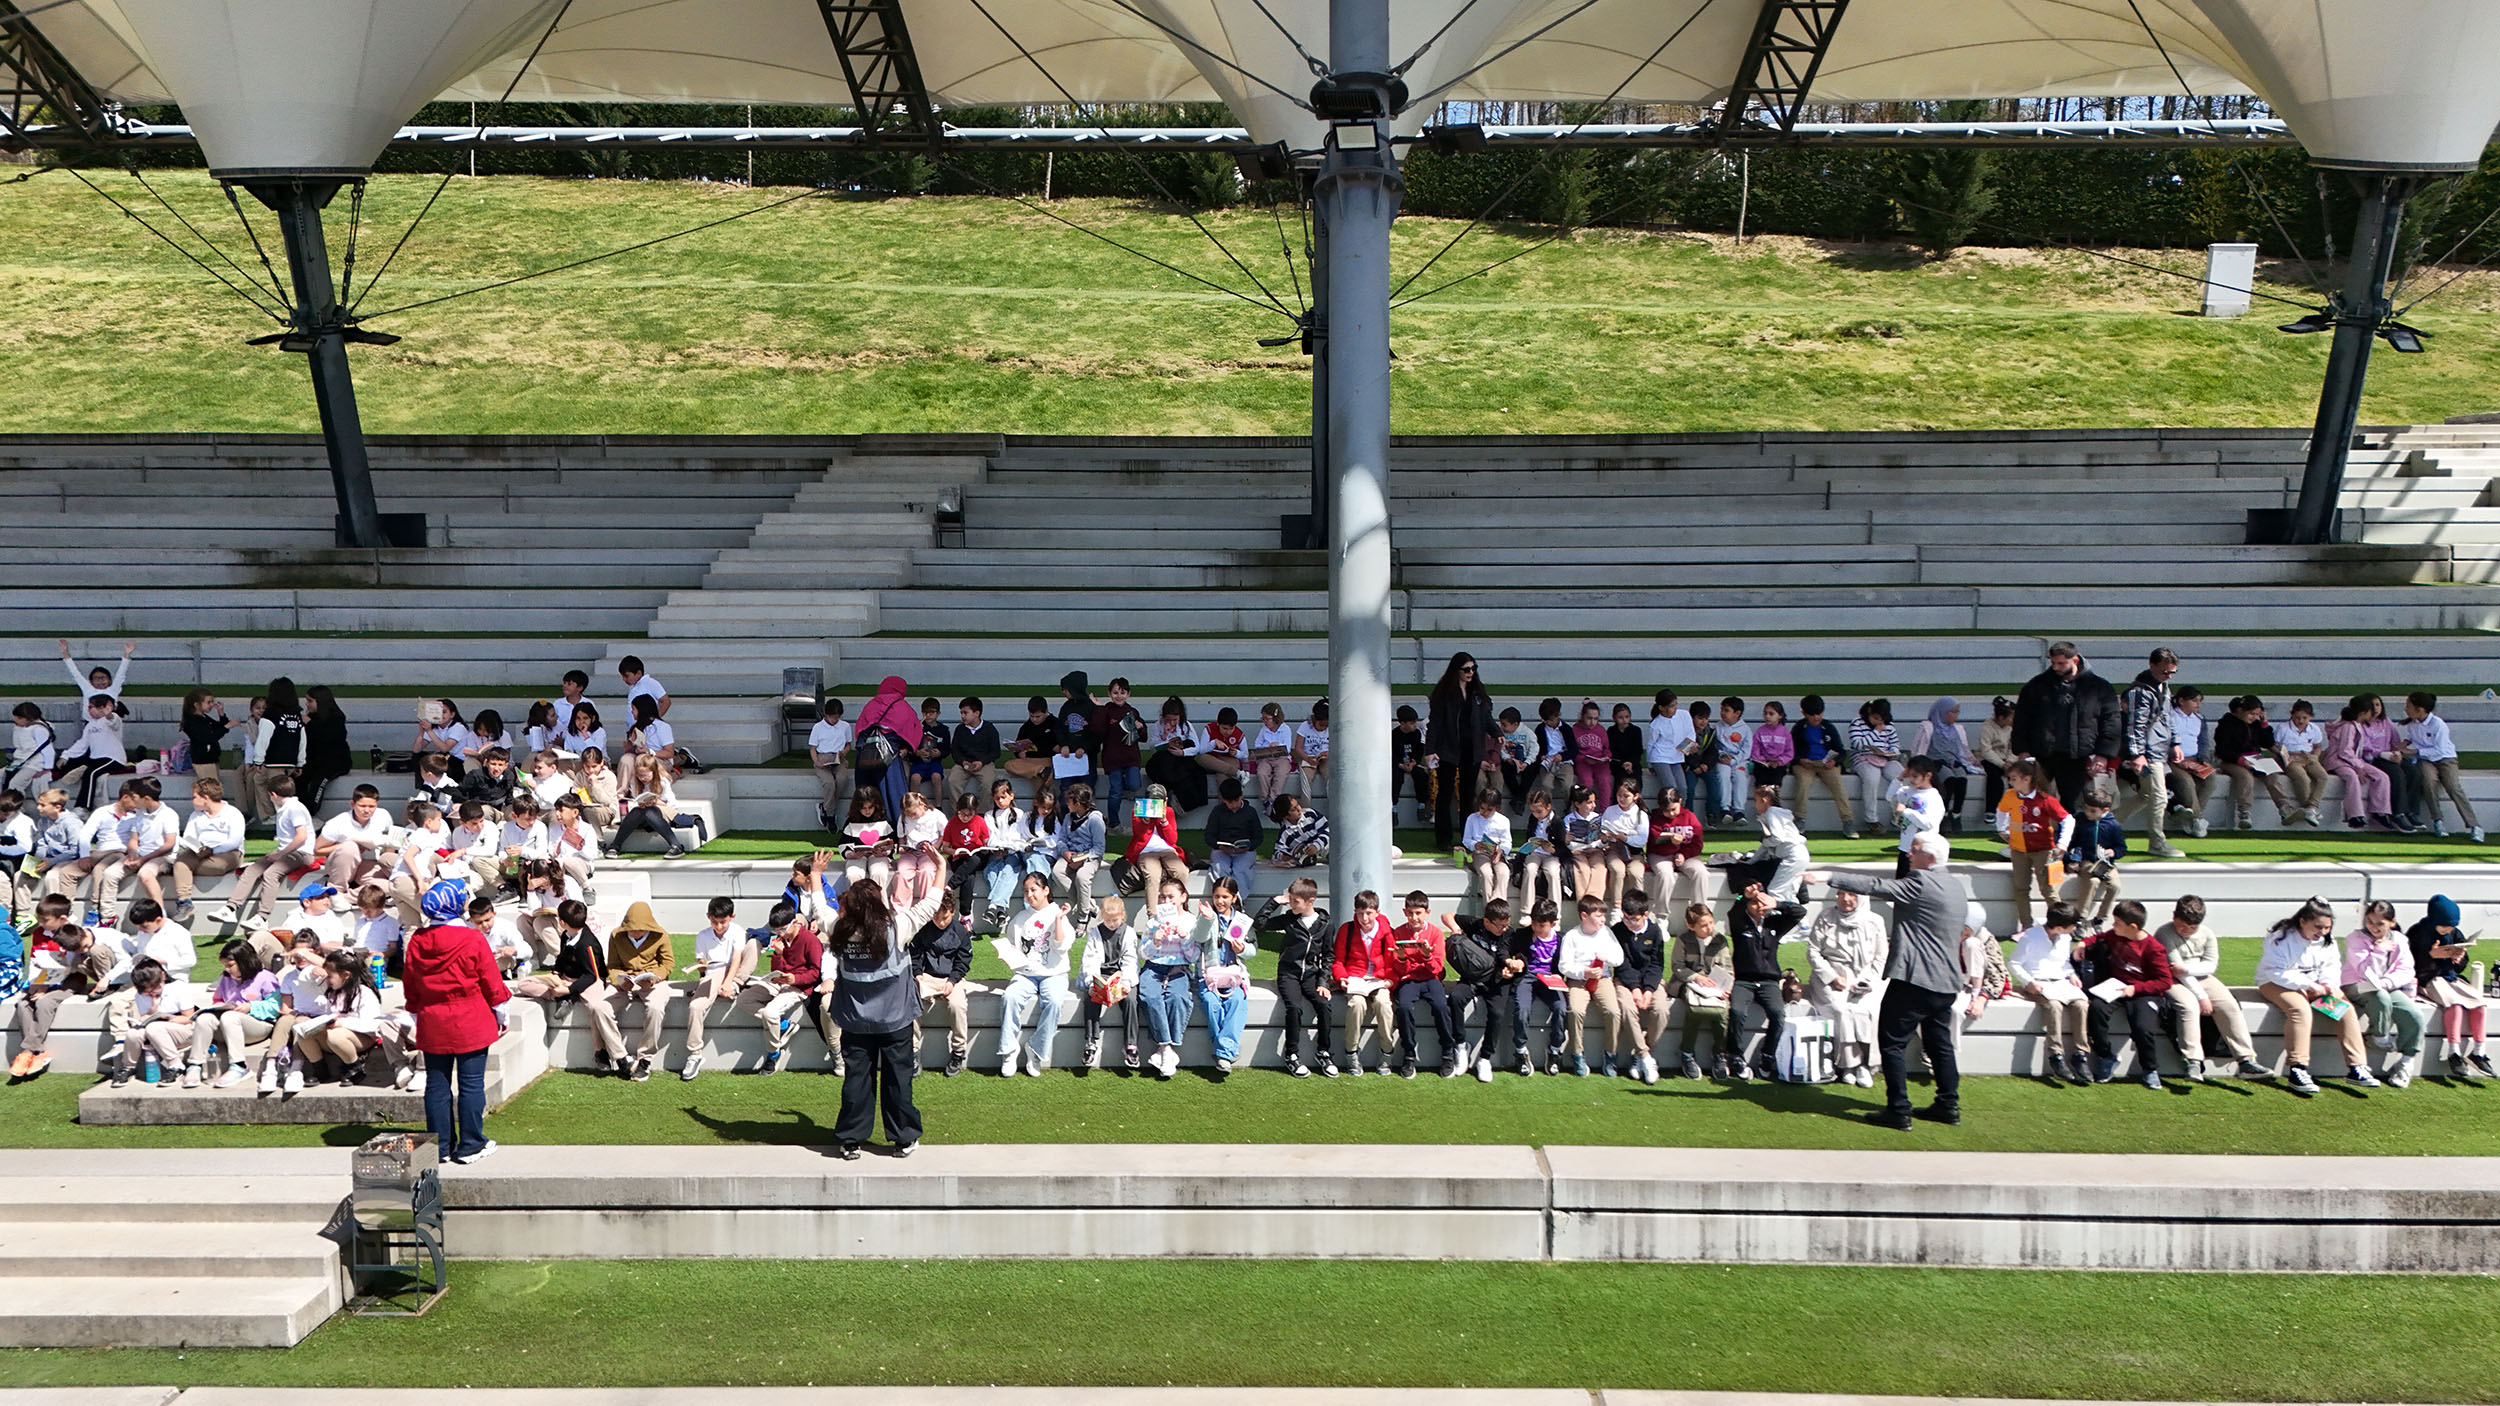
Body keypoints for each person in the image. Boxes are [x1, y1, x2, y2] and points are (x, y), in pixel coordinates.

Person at [1804, 832, 1972, 1131]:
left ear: (1929, 858)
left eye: (1915, 849)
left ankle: (1899, 1109)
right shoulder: (1956, 886)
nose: (1909, 853)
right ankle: (1949, 1105)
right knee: (1940, 1044)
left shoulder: (1921, 882)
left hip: (1915, 981)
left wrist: (1828, 875)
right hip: (1946, 983)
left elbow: (1876, 886)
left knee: (1892, 1043)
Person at [823, 873, 945, 1159]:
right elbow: (930, 904)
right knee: (898, 1080)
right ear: (879, 903)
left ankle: (851, 1140)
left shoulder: (839, 930)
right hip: (895, 1021)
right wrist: (940, 867)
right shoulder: (898, 928)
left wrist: (816, 877)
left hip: (855, 1021)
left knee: (857, 1079)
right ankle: (903, 1139)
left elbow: (819, 909)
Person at [400, 878, 507, 1164]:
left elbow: (410, 983)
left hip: (433, 1019)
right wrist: (501, 1012)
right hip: (470, 1018)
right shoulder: (472, 938)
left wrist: (415, 1013)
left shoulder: (418, 941)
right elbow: (492, 982)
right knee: (471, 1085)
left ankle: (441, 1146)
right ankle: (471, 1144)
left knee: (437, 1084)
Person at [2254, 897, 2373, 1094]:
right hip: (2275, 983)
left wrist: (2327, 984)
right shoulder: (2281, 938)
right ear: (2303, 921)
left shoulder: (2327, 941)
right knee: (2300, 1010)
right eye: (2318, 927)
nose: (2323, 932)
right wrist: (2308, 985)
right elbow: (2275, 971)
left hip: (2315, 986)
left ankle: (2356, 1067)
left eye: (2327, 928)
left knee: (2345, 1010)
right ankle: (2297, 1068)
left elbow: (2332, 966)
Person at [2153, 894, 2266, 1082]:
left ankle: (2246, 1059)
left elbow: (2210, 965)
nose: (2187, 931)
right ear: (2174, 917)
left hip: (2199, 975)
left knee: (2229, 1004)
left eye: (2192, 927)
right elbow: (2176, 969)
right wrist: (2201, 996)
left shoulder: (2206, 933)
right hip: (2173, 979)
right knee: (2189, 1006)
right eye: (2182, 926)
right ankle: (2193, 1060)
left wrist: (2189, 969)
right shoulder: (2164, 933)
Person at [2009, 641, 2122, 813]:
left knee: (2074, 806)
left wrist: (2103, 754)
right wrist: (2022, 750)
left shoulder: (2099, 687)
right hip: (2041, 753)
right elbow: (2022, 719)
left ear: (2075, 660)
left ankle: (2071, 839)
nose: (2056, 667)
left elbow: (2111, 721)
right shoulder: (2037, 685)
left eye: (2061, 663)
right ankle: (2030, 837)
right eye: (2053, 663)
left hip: (2076, 756)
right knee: (2032, 801)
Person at [2077, 900, 2175, 1089]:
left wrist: (2135, 989)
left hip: (2142, 992)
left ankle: (2149, 1069)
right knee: (2096, 1010)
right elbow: (2097, 938)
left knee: (2142, 1026)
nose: (2113, 927)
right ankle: (2106, 1056)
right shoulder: (2115, 936)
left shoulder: (2153, 948)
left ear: (2133, 927)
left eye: (2117, 923)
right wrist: (2082, 943)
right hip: (2114, 988)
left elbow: (2164, 981)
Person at [731, 900, 831, 1075]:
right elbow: (776, 970)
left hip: (799, 987)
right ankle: (784, 1024)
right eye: (776, 930)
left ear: (795, 923)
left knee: (770, 1013)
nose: (780, 933)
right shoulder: (779, 940)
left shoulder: (810, 940)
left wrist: (794, 979)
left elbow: (815, 973)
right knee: (744, 999)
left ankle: (773, 1053)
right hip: (779, 982)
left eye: (783, 929)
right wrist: (778, 954)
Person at [1806, 885, 1886, 1087]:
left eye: (1851, 894)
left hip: (1865, 977)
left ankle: (1866, 1065)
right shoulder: (1826, 917)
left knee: (1869, 1010)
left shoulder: (1875, 921)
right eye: (1841, 894)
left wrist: (1867, 981)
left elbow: (1880, 957)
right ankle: (1847, 1065)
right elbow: (1813, 952)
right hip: (1833, 976)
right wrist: (1833, 977)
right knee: (1841, 1010)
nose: (1845, 899)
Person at [996, 871, 1075, 1077]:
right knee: (1010, 996)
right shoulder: (1020, 918)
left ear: (1046, 890)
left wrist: (1058, 920)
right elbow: (1013, 946)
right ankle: (1009, 1050)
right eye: (1026, 891)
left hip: (1054, 973)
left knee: (1054, 1002)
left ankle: (1036, 1050)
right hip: (1026, 973)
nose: (1029, 894)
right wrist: (1007, 954)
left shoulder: (1058, 914)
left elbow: (1061, 946)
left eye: (1034, 889)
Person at [1255, 876, 1335, 1077]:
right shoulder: (1289, 919)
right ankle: (1291, 1054)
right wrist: (1274, 902)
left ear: (1310, 901)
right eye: (1290, 900)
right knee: (1294, 1008)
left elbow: (1328, 955)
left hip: (1311, 975)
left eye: (1295, 901)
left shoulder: (1325, 923)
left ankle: (1323, 1051)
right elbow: (1260, 923)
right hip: (1288, 974)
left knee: (1324, 1005)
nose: (1291, 905)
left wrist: (1324, 981)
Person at [2344, 899, 2427, 1088]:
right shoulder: (2355, 938)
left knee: (2414, 1014)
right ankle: (2378, 1036)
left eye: (2380, 923)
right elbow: (2361, 968)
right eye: (2370, 921)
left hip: (2386, 986)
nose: (2374, 927)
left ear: (2392, 922)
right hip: (2356, 985)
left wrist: (2386, 982)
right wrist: (2377, 951)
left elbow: (2406, 969)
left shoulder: (2399, 939)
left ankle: (2406, 1062)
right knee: (2379, 997)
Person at [2408, 894, 2492, 1080]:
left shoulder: (2454, 933)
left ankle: (2479, 1051)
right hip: (2429, 978)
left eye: (2452, 926)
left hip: (2450, 977)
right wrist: (2431, 955)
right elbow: (2409, 964)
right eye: (2444, 925)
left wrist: (2458, 959)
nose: (2448, 929)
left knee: (2478, 1003)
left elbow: (2461, 964)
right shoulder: (2418, 932)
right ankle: (2454, 1052)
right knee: (2454, 1004)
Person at [2114, 648, 2186, 858]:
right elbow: (2135, 725)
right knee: (2158, 796)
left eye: (2172, 673)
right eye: (2165, 672)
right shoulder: (2140, 692)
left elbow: (2168, 717)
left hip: (2157, 752)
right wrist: (2137, 754)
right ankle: (2157, 842)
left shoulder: (2162, 687)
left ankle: (2106, 823)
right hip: (2148, 755)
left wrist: (2175, 742)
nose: (2168, 676)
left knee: (2148, 795)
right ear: (2152, 666)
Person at [1725, 883, 1800, 1081]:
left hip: (1769, 981)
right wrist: (1743, 896)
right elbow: (1734, 911)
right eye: (1754, 903)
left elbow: (1799, 912)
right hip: (1743, 980)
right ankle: (1735, 1055)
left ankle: (1768, 1055)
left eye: (1762, 903)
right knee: (1737, 1011)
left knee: (1777, 1013)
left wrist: (1776, 904)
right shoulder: (1739, 924)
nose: (1759, 907)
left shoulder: (1774, 924)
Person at [1423, 652, 1498, 850]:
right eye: (1466, 669)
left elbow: (1486, 718)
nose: (1471, 673)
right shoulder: (1444, 693)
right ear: (1457, 670)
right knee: (1445, 794)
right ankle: (1443, 838)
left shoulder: (1477, 693)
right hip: (1448, 748)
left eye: (1473, 669)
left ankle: (1467, 837)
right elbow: (1435, 723)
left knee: (1467, 795)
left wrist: (1496, 731)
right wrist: (1430, 749)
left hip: (1471, 750)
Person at [2009, 901, 2090, 1082]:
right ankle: (2056, 1055)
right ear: (2060, 927)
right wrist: (2029, 982)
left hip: (2060, 982)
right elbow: (2014, 963)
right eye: (2072, 925)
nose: (2074, 929)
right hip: (2038, 983)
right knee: (2054, 1006)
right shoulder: (2031, 937)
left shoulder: (2065, 938)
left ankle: (2080, 1054)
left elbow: (2064, 962)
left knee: (2081, 1004)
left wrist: (2072, 974)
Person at [184, 939, 279, 1089]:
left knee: (230, 1017)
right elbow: (219, 999)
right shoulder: (226, 978)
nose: (227, 969)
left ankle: (239, 1065)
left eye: (230, 965)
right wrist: (217, 1007)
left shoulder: (265, 977)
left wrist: (251, 1007)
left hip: (259, 1026)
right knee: (204, 1018)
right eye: (225, 966)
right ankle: (195, 1065)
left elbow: (276, 1007)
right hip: (229, 1024)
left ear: (244, 961)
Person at [1554, 893, 1629, 1078]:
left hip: (1602, 979)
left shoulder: (1607, 933)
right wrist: (1583, 972)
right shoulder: (1572, 936)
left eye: (1604, 916)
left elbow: (1619, 958)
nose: (1603, 920)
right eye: (1598, 916)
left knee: (1613, 1011)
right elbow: (1564, 965)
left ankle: (1611, 1054)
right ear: (1584, 916)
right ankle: (1577, 1054)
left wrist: (1605, 960)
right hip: (1578, 981)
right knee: (1576, 1011)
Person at [1994, 760, 2072, 933]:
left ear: (2027, 779)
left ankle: (2059, 925)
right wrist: (2002, 828)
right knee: (2021, 889)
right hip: (2019, 851)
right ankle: (2026, 926)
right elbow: (2001, 811)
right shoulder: (2009, 796)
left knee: (2048, 889)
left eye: (2014, 778)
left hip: (2044, 851)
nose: (2010, 782)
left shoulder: (2045, 800)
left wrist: (2062, 843)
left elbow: (2068, 819)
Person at [1133, 879, 1200, 1079]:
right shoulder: (1154, 922)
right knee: (1150, 996)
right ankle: (1166, 1049)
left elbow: (1194, 957)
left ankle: (1165, 1050)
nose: (1166, 900)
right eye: (1162, 897)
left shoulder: (1190, 921)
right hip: (1154, 967)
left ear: (1183, 898)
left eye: (1170, 896)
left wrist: (1185, 939)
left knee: (1177, 998)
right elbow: (1143, 953)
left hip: (1178, 968)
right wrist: (1154, 942)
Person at [288, 949, 385, 1087]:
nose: (326, 980)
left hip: (361, 1037)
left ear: (345, 975)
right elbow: (305, 985)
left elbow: (371, 1024)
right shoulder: (331, 990)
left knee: (335, 1036)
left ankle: (354, 1067)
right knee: (304, 1035)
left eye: (330, 976)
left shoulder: (365, 993)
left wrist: (342, 1023)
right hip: (333, 1035)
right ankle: (320, 1069)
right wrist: (311, 972)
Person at [674, 896, 746, 1080]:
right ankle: (695, 1053)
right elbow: (703, 963)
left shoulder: (738, 931)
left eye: (723, 922)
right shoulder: (703, 935)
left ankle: (734, 986)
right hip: (714, 972)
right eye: (715, 922)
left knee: (752, 948)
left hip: (734, 971)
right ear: (708, 917)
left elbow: (737, 959)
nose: (719, 926)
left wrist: (728, 982)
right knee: (695, 1006)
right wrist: (701, 970)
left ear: (732, 917)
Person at [605, 901, 677, 1082]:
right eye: (631, 929)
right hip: (625, 980)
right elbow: (612, 966)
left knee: (655, 1008)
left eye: (639, 930)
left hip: (652, 982)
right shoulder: (616, 935)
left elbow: (668, 964)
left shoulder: (661, 936)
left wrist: (655, 977)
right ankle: (622, 1058)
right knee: (600, 1007)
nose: (634, 933)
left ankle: (644, 1060)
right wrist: (619, 981)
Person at [1192, 877, 1257, 1074]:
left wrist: (1242, 948)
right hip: (1208, 976)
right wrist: (1206, 919)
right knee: (1212, 1004)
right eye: (1216, 896)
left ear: (1234, 898)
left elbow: (1253, 950)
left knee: (1237, 1001)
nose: (1220, 901)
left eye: (1225, 897)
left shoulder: (1242, 920)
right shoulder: (1206, 916)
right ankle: (1226, 1051)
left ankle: (1223, 1053)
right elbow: (1199, 938)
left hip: (1234, 976)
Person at [1330, 890, 1396, 1076]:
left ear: (1377, 912)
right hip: (1355, 978)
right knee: (1356, 1004)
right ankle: (1351, 1052)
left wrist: (1390, 981)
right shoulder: (1347, 930)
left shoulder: (1386, 932)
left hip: (1378, 979)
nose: (1364, 918)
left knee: (1383, 1004)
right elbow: (1338, 961)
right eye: (1360, 913)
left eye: (1368, 913)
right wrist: (1341, 977)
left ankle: (1386, 1052)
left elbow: (1392, 962)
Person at [910, 889, 976, 1077]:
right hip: (927, 978)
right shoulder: (923, 929)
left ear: (953, 913)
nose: (940, 922)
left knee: (957, 1005)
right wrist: (918, 974)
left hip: (952, 979)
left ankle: (958, 1051)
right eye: (936, 917)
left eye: (945, 918)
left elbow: (963, 961)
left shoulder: (961, 933)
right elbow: (915, 955)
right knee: (911, 1002)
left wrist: (952, 980)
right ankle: (913, 1050)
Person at [1713, 784, 1810, 911]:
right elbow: (1767, 845)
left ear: (1764, 801)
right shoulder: (1773, 815)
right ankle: (1801, 924)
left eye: (1756, 800)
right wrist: (1751, 861)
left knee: (1775, 891)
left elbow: (1777, 838)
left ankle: (1779, 921)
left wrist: (1765, 840)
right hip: (1798, 855)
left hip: (1793, 857)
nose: (1754, 805)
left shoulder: (1772, 813)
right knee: (1789, 893)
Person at [1076, 892, 1141, 1075]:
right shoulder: (1096, 932)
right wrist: (1092, 981)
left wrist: (1126, 982)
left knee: (1130, 1000)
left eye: (1115, 920)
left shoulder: (1128, 933)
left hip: (1121, 976)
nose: (1111, 924)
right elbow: (1090, 959)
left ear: (1123, 916)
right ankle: (1091, 1040)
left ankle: (1131, 1044)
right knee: (1091, 998)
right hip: (1100, 975)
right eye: (1108, 920)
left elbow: (1130, 961)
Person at [2403, 692, 2483, 841]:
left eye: (2408, 706)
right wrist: (2405, 743)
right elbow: (2411, 738)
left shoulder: (2438, 724)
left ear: (2420, 709)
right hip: (2425, 759)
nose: (2405, 709)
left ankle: (2474, 825)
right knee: (2428, 782)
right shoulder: (2412, 724)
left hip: (2445, 759)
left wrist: (2413, 751)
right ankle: (2437, 820)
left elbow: (2439, 749)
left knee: (2453, 787)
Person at [1668, 901, 1734, 1079]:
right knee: (1694, 1009)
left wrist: (1726, 987)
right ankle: (1687, 1052)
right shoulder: (1683, 940)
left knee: (1722, 1012)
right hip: (1688, 983)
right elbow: (1678, 966)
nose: (1709, 928)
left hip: (1714, 986)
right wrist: (1696, 977)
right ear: (1691, 926)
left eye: (1711, 923)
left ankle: (1719, 1053)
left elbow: (1728, 968)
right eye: (1703, 925)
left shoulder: (1720, 941)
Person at [2216, 695, 2301, 830]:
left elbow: (2267, 742)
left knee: (2272, 775)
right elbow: (2222, 750)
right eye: (2251, 714)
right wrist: (2241, 760)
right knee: (2246, 778)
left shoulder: (2255, 725)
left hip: (2255, 758)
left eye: (2257, 714)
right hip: (2233, 760)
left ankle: (2284, 808)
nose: (2254, 717)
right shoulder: (2226, 725)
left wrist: (2264, 725)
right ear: (2240, 710)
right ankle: (2244, 812)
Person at [1507, 898, 1570, 1075]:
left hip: (1550, 979)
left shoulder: (1561, 940)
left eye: (1541, 925)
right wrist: (1511, 964)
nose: (1536, 928)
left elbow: (1566, 964)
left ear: (1553, 924)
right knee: (1522, 1009)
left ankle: (1555, 1050)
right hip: (1527, 977)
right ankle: (1520, 1050)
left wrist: (1559, 974)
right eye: (1534, 924)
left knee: (1561, 1008)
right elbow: (1507, 951)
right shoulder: (1522, 935)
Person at [1610, 891, 1667, 1084]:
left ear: (1645, 915)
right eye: (1626, 918)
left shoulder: (1655, 932)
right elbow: (1620, 963)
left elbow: (1657, 964)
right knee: (1627, 1008)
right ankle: (1645, 1056)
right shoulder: (1617, 930)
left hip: (1651, 981)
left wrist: (1649, 990)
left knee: (1661, 1010)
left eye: (1633, 919)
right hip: (1625, 981)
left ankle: (1642, 1053)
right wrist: (1634, 988)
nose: (1629, 923)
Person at [854, 676, 922, 829]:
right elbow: (914, 732)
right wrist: (906, 748)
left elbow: (859, 731)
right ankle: (897, 830)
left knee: (866, 795)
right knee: (893, 795)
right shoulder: (902, 707)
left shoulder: (871, 704)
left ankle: (864, 829)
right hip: (888, 760)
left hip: (865, 758)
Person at [2323, 701, 2399, 831]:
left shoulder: (2356, 726)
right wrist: (2358, 767)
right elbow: (2344, 751)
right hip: (2337, 761)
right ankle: (2355, 815)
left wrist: (2359, 765)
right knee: (2352, 777)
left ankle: (2380, 811)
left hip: (2352, 760)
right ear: (2363, 713)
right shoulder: (2348, 727)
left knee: (2381, 776)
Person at [2060, 789, 2125, 928]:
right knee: (2093, 882)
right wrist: (2070, 860)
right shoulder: (2080, 821)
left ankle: (2100, 918)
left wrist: (2113, 852)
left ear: (2104, 810)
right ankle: (2080, 918)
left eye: (2093, 811)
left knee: (2115, 886)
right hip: (2086, 862)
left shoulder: (2113, 825)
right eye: (2086, 809)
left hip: (2105, 864)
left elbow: (2121, 847)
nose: (2088, 813)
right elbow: (2071, 843)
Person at [1789, 695, 1853, 836]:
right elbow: (1790, 751)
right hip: (1805, 764)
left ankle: (1848, 820)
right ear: (1804, 714)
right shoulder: (1799, 728)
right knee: (1803, 784)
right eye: (1812, 715)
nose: (1816, 718)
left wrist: (1834, 761)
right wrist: (1800, 760)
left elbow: (1841, 751)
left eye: (1819, 714)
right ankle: (1800, 818)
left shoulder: (1828, 727)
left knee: (1838, 786)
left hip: (1826, 765)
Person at [1089, 678, 1148, 827]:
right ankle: (1114, 823)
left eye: (1122, 692)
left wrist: (1140, 727)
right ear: (1109, 694)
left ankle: (1126, 786)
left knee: (1134, 785)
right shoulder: (1106, 710)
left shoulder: (1133, 711)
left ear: (1128, 694)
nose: (1119, 696)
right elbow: (1097, 730)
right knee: (1115, 790)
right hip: (1113, 759)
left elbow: (1144, 737)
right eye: (1115, 692)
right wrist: (1099, 708)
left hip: (1131, 758)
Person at [1908, 697, 1971, 835]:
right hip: (1934, 762)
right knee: (1948, 779)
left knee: (1961, 778)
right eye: (1952, 712)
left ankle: (1956, 813)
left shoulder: (1957, 729)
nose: (1955, 716)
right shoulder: (1928, 727)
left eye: (1956, 712)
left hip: (1951, 760)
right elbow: (1919, 748)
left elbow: (1962, 750)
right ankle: (1943, 813)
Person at [1123, 783, 1190, 900]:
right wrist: (1145, 819)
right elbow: (1138, 834)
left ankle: (1180, 906)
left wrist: (1164, 821)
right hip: (1145, 851)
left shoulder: (1169, 811)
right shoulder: (1138, 811)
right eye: (1152, 802)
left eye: (1158, 802)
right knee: (1152, 875)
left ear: (1165, 801)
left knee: (1181, 872)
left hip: (1167, 849)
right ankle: (1152, 914)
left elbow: (1172, 839)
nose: (1155, 805)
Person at [1644, 788, 1706, 913]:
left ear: (1680, 802)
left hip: (1686, 855)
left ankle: (1699, 913)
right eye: (1667, 811)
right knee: (1666, 875)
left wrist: (1683, 854)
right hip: (1660, 855)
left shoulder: (1689, 817)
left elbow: (1697, 844)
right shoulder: (1656, 818)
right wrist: (1672, 844)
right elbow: (1654, 843)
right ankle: (1661, 915)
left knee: (1700, 872)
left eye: (1674, 809)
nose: (1671, 814)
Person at [1051, 783, 1106, 922]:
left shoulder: (1095, 820)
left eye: (1070, 802)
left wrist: (1082, 859)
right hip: (1071, 854)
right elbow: (1061, 839)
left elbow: (1099, 848)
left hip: (1090, 857)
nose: (1067, 804)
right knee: (1057, 871)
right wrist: (1065, 852)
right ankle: (1088, 903)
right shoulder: (1069, 817)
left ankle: (1083, 916)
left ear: (1078, 803)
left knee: (1082, 876)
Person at [1597, 779, 1649, 921]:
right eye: (1619, 795)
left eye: (1626, 796)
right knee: (1617, 869)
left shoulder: (1641, 815)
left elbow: (1642, 839)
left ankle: (1639, 908)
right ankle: (1616, 908)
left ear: (1635, 796)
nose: (1622, 799)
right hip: (1615, 848)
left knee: (1636, 872)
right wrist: (1606, 836)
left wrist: (1624, 837)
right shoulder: (1610, 810)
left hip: (1634, 852)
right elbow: (1603, 829)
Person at [1846, 699, 1902, 830]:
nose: (1878, 722)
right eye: (1875, 718)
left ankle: (1899, 814)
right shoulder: (1857, 723)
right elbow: (1858, 744)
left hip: (1885, 759)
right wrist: (1876, 732)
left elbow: (1895, 744)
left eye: (1881, 720)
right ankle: (1872, 819)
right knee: (1872, 778)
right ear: (1869, 712)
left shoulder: (1889, 725)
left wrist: (1891, 752)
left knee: (1901, 776)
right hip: (1863, 758)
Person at [1202, 777, 1263, 897]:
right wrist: (1219, 845)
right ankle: (1222, 898)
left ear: (1241, 796)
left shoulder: (1250, 812)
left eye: (1236, 800)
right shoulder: (1217, 812)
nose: (1234, 805)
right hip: (1222, 850)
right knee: (1220, 868)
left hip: (1245, 851)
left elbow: (1258, 836)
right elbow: (1209, 836)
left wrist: (1249, 846)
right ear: (1223, 800)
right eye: (1230, 802)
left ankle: (1238, 901)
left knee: (1241, 870)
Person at [1886, 756, 1944, 880]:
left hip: (1923, 852)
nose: (1911, 779)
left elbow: (1929, 824)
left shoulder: (1933, 796)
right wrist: (1899, 778)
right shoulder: (1907, 791)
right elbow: (1889, 797)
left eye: (1915, 776)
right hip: (1905, 848)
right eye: (1910, 775)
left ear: (1928, 776)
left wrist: (1906, 811)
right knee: (1901, 887)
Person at [2278, 699, 2331, 827]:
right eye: (2297, 718)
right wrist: (2284, 757)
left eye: (2304, 718)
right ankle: (2307, 807)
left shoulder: (2314, 729)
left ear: (2310, 717)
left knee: (2322, 777)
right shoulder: (2283, 728)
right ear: (2292, 715)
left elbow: (2318, 746)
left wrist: (2315, 756)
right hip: (2292, 757)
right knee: (2302, 778)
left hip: (2308, 756)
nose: (2301, 721)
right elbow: (2275, 746)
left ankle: (2312, 806)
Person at [1460, 788, 1513, 909]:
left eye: (1489, 810)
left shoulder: (1503, 821)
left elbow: (1507, 841)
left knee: (1503, 873)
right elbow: (1466, 840)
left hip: (1497, 854)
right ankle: (1489, 908)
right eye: (1482, 808)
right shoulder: (1472, 818)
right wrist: (1475, 845)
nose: (1484, 812)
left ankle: (1498, 907)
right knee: (1486, 873)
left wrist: (1501, 851)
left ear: (1497, 808)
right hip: (1479, 853)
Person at [1513, 789, 1563, 914]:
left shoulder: (1557, 821)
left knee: (1552, 873)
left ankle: (1555, 913)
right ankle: (1526, 910)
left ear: (1549, 807)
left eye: (1539, 811)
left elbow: (1563, 847)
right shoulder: (1533, 819)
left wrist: (1553, 849)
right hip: (1535, 852)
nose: (1536, 814)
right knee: (1530, 869)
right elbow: (1529, 836)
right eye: (1533, 811)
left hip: (1551, 855)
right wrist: (1530, 846)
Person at [808, 698, 854, 824]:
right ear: (826, 714)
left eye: (837, 717)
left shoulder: (844, 726)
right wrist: (816, 762)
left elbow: (848, 745)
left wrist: (844, 752)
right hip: (823, 758)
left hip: (839, 757)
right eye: (832, 717)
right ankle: (830, 813)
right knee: (829, 783)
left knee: (842, 779)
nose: (835, 720)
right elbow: (812, 748)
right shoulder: (818, 727)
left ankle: (826, 807)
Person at [1645, 688, 1694, 802]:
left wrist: (1688, 747)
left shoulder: (1684, 715)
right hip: (1660, 758)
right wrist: (1650, 764)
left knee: (1682, 788)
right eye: (1672, 706)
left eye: (1675, 704)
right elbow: (1651, 744)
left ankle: (1680, 814)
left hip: (1676, 757)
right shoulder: (1656, 724)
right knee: (1671, 787)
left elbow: (1690, 732)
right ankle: (1668, 812)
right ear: (1662, 708)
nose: (1675, 708)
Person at [1267, 792, 1329, 870]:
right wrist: (1284, 857)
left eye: (1298, 805)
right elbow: (1277, 851)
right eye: (1293, 809)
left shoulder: (1310, 814)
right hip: (1309, 860)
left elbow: (1326, 830)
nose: (1299, 809)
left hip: (1330, 846)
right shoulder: (1285, 833)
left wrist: (1316, 846)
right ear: (1286, 816)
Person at [1293, 699, 1332, 801]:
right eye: (1321, 725)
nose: (1323, 728)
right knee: (1306, 781)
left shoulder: (1332, 727)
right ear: (1315, 719)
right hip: (1308, 758)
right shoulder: (1305, 726)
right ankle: (1306, 809)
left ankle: (1333, 807)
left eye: (1326, 726)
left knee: (1331, 778)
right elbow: (1298, 747)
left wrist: (1328, 754)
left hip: (1326, 758)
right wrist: (1307, 758)